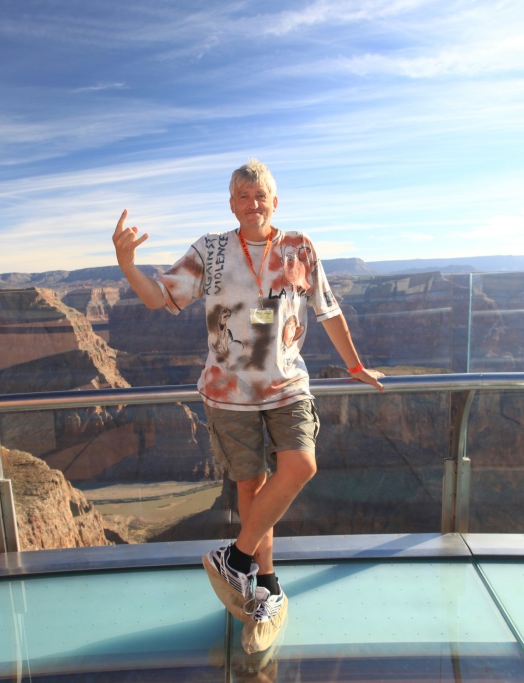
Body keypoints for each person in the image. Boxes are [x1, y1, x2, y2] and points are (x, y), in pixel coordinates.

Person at [112, 159, 384, 654]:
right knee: (252, 490)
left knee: (301, 465)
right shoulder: (211, 250)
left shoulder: (298, 246)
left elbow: (328, 308)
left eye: (260, 196)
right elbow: (158, 299)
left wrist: (355, 366)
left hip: (287, 388)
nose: (252, 204)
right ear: (231, 204)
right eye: (242, 196)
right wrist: (127, 264)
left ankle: (234, 561)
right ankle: (267, 588)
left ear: (274, 202)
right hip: (228, 394)